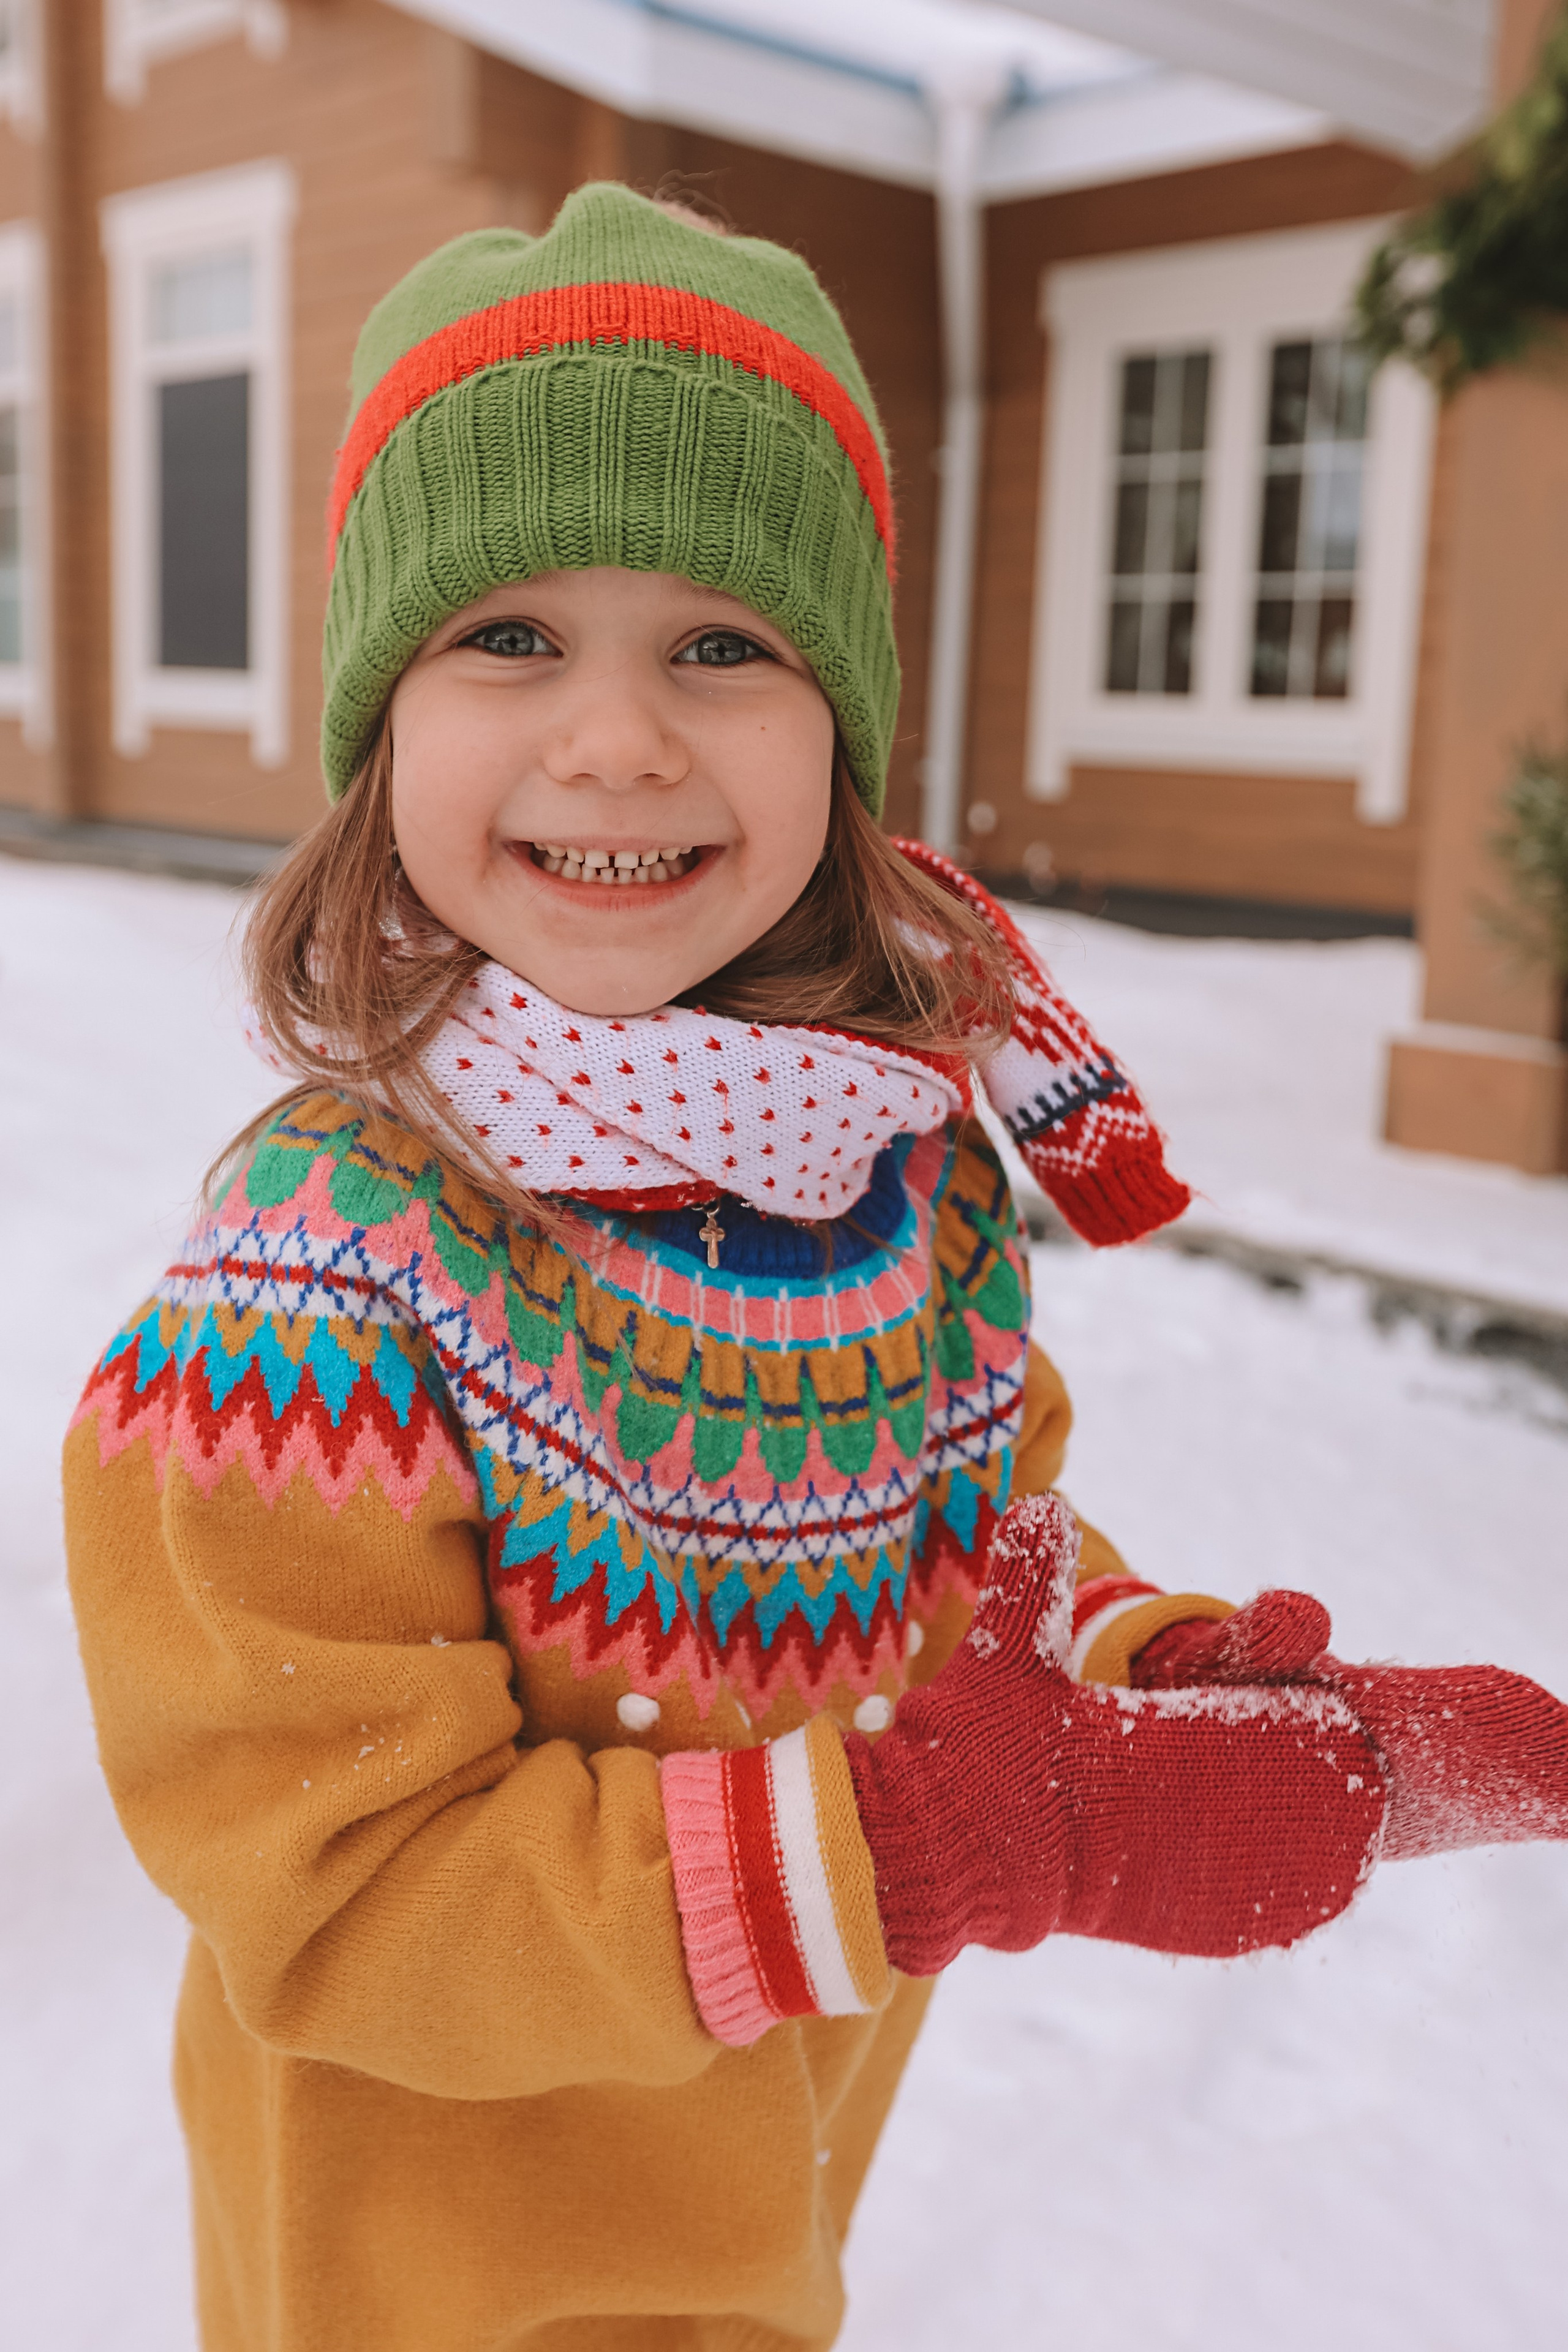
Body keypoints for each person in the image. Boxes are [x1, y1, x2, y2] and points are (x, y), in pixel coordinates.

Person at [64, 184, 1568, 2352]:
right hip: (417, 2282)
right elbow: (346, 1898)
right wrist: (994, 1830)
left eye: (720, 643)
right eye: (507, 635)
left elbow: (968, 1543)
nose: (614, 738)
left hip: (764, 2211)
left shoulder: (905, 1187)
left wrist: (1144, 1667)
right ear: (377, 726)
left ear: (842, 737)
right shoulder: (311, 1301)